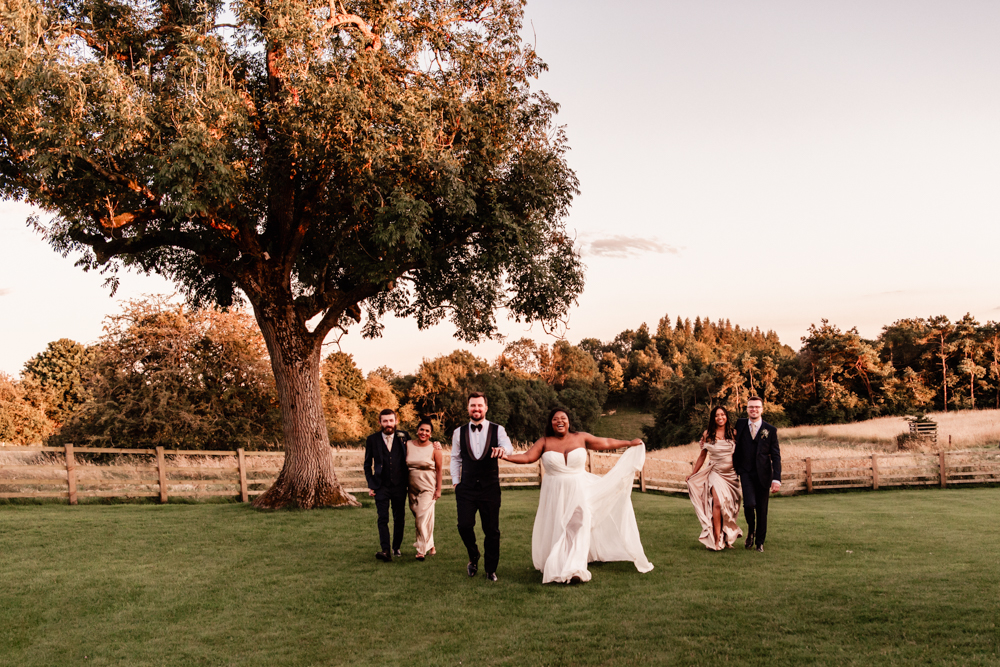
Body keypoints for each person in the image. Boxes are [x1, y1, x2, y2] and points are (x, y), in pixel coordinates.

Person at [501, 408, 654, 584]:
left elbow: (605, 442)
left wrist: (628, 442)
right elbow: (528, 457)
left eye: (563, 418)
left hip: (579, 488)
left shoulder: (580, 437)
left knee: (579, 523)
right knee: (560, 526)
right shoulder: (544, 441)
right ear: (550, 423)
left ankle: (574, 568)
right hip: (555, 492)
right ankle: (559, 563)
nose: (560, 421)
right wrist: (506, 457)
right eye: (555, 419)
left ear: (568, 421)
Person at [450, 392, 513, 582]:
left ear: (486, 408)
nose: (476, 409)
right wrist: (455, 482)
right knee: (464, 526)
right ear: (468, 408)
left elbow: (508, 447)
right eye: (472, 405)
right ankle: (474, 554)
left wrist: (503, 450)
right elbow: (455, 458)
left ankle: (490, 570)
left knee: (491, 530)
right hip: (466, 488)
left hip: (490, 488)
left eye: (479, 405)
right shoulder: (458, 432)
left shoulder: (498, 429)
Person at [686, 406, 743, 551]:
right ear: (713, 417)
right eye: (717, 415)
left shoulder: (734, 433)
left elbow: (743, 451)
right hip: (715, 472)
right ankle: (716, 540)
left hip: (731, 476)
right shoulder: (708, 434)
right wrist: (693, 474)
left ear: (727, 416)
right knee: (717, 503)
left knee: (728, 507)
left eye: (723, 414)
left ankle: (727, 537)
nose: (720, 417)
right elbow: (702, 456)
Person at [733, 396, 782, 552]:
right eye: (751, 407)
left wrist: (777, 479)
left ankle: (760, 542)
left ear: (762, 409)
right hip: (746, 472)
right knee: (749, 505)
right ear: (747, 409)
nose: (753, 409)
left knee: (762, 509)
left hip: (764, 475)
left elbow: (776, 456)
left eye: (756, 407)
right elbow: (722, 432)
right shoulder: (740, 424)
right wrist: (706, 438)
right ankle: (751, 531)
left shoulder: (770, 430)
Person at [364, 409, 409, 562]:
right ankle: (385, 550)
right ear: (380, 422)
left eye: (391, 421)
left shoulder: (404, 437)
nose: (388, 424)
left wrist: (434, 445)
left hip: (399, 485)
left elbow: (417, 450)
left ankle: (396, 547)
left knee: (399, 518)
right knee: (382, 518)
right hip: (381, 486)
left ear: (396, 421)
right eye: (385, 421)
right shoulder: (372, 439)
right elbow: (367, 464)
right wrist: (371, 484)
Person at [406, 418, 443, 561]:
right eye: (422, 429)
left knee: (421, 518)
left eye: (427, 431)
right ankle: (431, 545)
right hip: (412, 486)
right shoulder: (408, 444)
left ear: (431, 434)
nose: (424, 433)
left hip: (428, 487)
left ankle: (421, 550)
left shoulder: (435, 449)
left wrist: (438, 489)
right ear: (417, 430)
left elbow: (439, 470)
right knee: (420, 517)